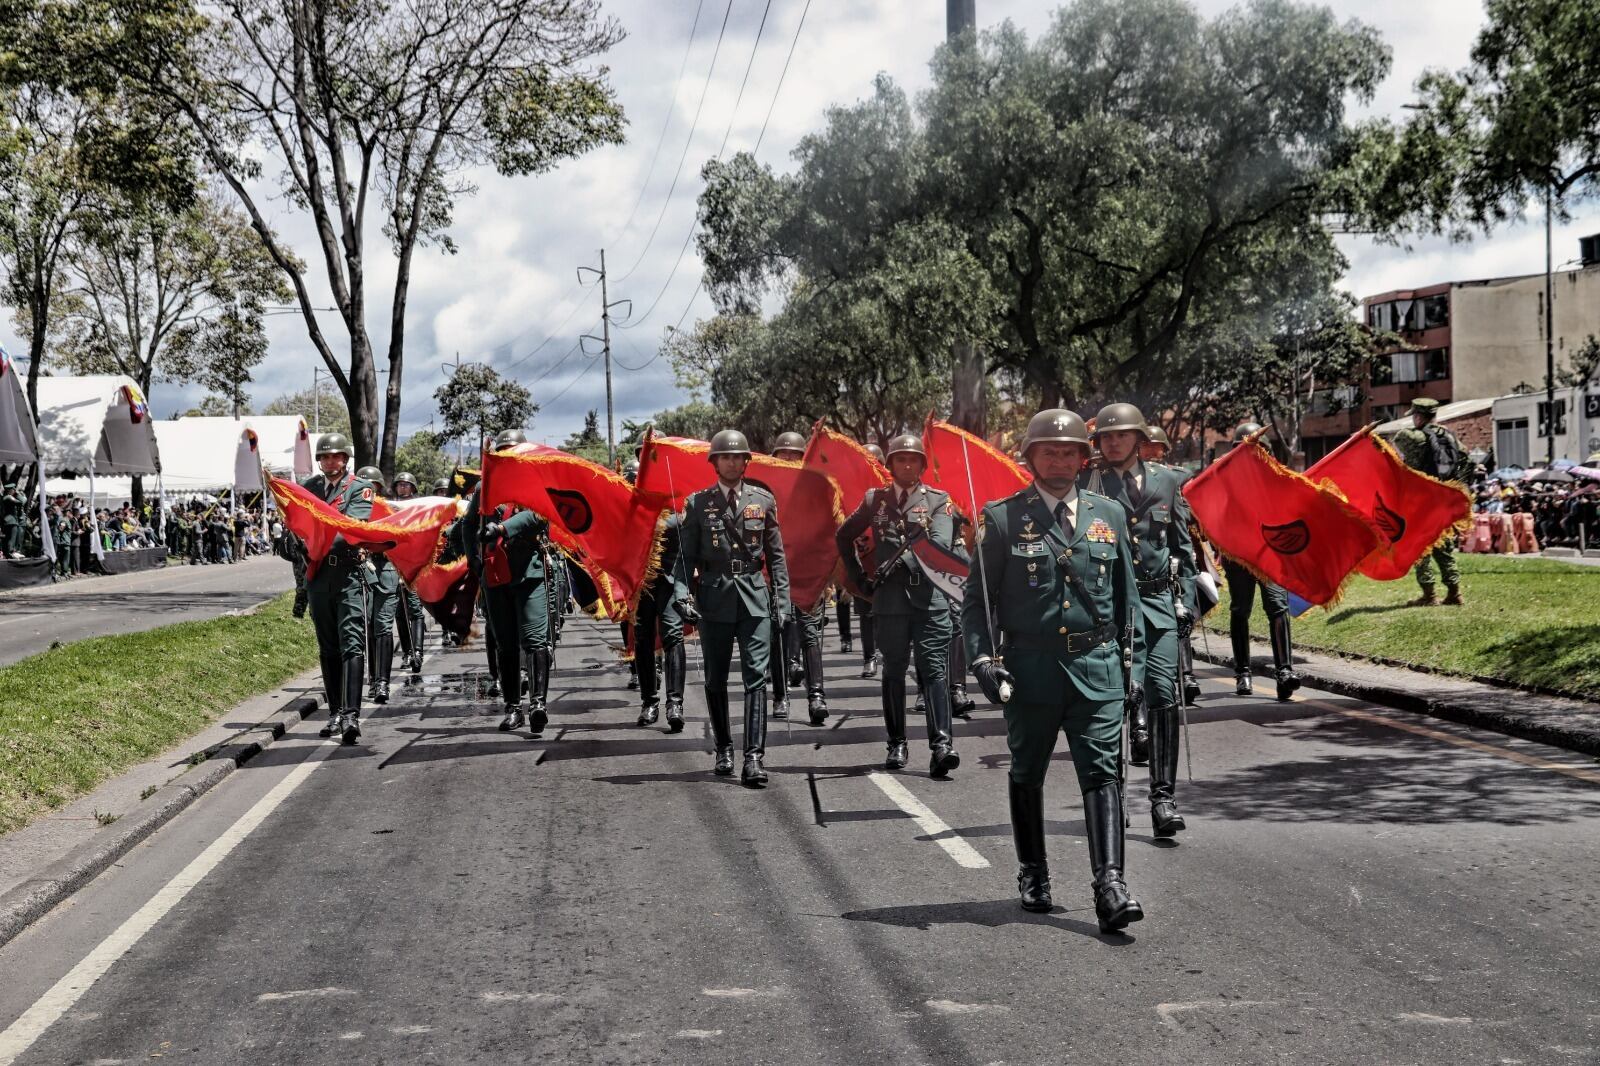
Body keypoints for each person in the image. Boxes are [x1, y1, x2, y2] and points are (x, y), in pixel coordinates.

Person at [963, 409, 1143, 933]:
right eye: (1049, 452)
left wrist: (1132, 669)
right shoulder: (1002, 519)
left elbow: (1127, 600)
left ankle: (1110, 885)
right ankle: (1034, 872)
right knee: (1027, 770)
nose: (1060, 460)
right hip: (1031, 668)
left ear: (1084, 458)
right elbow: (977, 603)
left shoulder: (1109, 514)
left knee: (1103, 771)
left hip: (1098, 666)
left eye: (1069, 452)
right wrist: (981, 660)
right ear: (1030, 458)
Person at [1080, 403, 1197, 838]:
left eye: (1122, 435)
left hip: (1158, 604)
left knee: (1163, 693)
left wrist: (1187, 603)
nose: (1113, 442)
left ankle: (1163, 800)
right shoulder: (1087, 483)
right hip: (1109, 608)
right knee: (1116, 699)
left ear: (1139, 440)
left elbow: (1182, 549)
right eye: (1106, 437)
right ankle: (1114, 796)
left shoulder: (1167, 482)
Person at [835, 433, 962, 778]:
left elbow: (939, 546)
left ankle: (942, 745)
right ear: (890, 465)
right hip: (890, 601)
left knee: (934, 670)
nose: (907, 465)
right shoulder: (874, 500)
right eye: (901, 459)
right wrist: (859, 579)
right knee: (893, 671)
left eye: (913, 460)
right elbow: (844, 535)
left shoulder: (938, 500)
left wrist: (898, 560)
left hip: (929, 600)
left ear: (922, 465)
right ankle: (896, 743)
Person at [676, 429, 790, 787]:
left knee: (756, 677)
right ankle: (724, 748)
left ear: (746, 462)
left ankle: (754, 757)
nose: (731, 462)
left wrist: (782, 600)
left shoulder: (763, 501)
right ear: (715, 462)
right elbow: (685, 559)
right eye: (725, 456)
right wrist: (682, 594)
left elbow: (777, 557)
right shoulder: (697, 504)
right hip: (714, 598)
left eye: (737, 457)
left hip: (755, 597)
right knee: (716, 678)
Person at [475, 429, 554, 735]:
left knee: (534, 640)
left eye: (513, 449)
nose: (509, 454)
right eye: (504, 450)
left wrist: (502, 529)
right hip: (496, 575)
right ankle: (512, 708)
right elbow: (469, 527)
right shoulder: (485, 485)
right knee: (506, 644)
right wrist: (474, 561)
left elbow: (539, 515)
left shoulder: (535, 480)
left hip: (528, 572)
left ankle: (537, 704)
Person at [302, 433, 374, 744]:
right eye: (324, 457)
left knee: (352, 643)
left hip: (347, 575)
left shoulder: (360, 489)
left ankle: (351, 716)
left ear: (345, 459)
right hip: (319, 577)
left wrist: (313, 542)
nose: (330, 461)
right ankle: (334, 712)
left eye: (335, 456)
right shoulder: (310, 488)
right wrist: (292, 541)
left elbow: (352, 528)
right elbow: (297, 522)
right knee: (328, 646)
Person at [1222, 423, 1300, 701]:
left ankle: (1284, 671)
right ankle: (1242, 672)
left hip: (1270, 554)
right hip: (1239, 554)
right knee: (1240, 609)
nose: (1253, 453)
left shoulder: (1277, 476)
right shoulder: (1224, 478)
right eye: (1245, 448)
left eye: (1259, 448)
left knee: (1278, 607)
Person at [1140, 425, 1202, 706]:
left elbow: (1184, 525)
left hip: (1170, 565)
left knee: (1178, 614)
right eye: (1146, 449)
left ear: (1165, 451)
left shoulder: (1175, 479)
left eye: (1157, 449)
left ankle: (1186, 674)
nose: (1152, 454)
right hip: (1141, 571)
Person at [1392, 397, 1466, 606]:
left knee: (1419, 548)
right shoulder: (1451, 437)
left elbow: (1395, 444)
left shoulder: (1412, 436)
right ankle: (1454, 592)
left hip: (1420, 503)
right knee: (1444, 547)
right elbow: (1466, 463)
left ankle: (1429, 594)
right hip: (1443, 502)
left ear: (1418, 416)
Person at [634, 510, 687, 731]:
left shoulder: (677, 499)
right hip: (641, 578)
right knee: (643, 638)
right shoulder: (633, 496)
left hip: (671, 578)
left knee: (673, 635)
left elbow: (684, 524)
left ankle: (675, 704)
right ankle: (649, 702)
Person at [356, 466, 400, 705]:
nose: (367, 491)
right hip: (360, 572)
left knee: (382, 626)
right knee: (368, 627)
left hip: (385, 572)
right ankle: (373, 678)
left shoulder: (388, 511)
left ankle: (382, 682)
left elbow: (396, 540)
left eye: (371, 487)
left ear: (379, 488)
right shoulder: (350, 510)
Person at [389, 471, 427, 674]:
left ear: (413, 488)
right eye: (400, 484)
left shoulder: (418, 507)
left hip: (413, 564)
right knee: (400, 612)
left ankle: (417, 651)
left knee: (414, 609)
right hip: (393, 563)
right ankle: (407, 652)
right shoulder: (390, 507)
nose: (403, 487)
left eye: (406, 485)